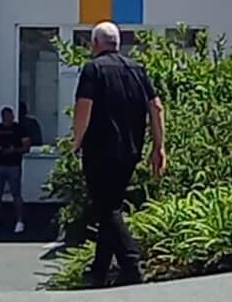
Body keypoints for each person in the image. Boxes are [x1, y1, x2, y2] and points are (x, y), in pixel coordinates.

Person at [70, 22, 165, 287]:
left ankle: (131, 265)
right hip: (130, 150)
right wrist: (159, 147)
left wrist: (76, 141)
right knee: (109, 205)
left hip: (99, 151)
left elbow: (83, 107)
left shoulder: (93, 69)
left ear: (95, 44)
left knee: (107, 208)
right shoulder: (137, 69)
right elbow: (156, 108)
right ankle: (99, 271)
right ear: (118, 43)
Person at [0, 106, 30, 235]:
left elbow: (26, 146)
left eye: (10, 116)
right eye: (6, 116)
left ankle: (20, 221)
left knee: (16, 193)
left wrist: (15, 150)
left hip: (14, 165)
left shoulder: (19, 129)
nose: (9, 118)